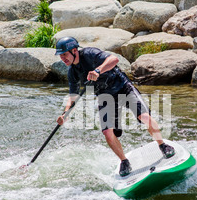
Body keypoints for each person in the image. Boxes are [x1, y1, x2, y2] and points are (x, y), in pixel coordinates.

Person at [55, 36, 175, 177]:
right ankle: (124, 161)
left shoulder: (89, 54)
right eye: (60, 56)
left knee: (144, 117)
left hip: (123, 87)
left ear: (74, 50)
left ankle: (162, 145)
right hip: (105, 97)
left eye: (64, 54)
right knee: (107, 132)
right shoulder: (73, 73)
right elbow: (73, 97)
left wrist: (98, 71)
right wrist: (65, 114)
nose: (63, 58)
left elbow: (114, 60)